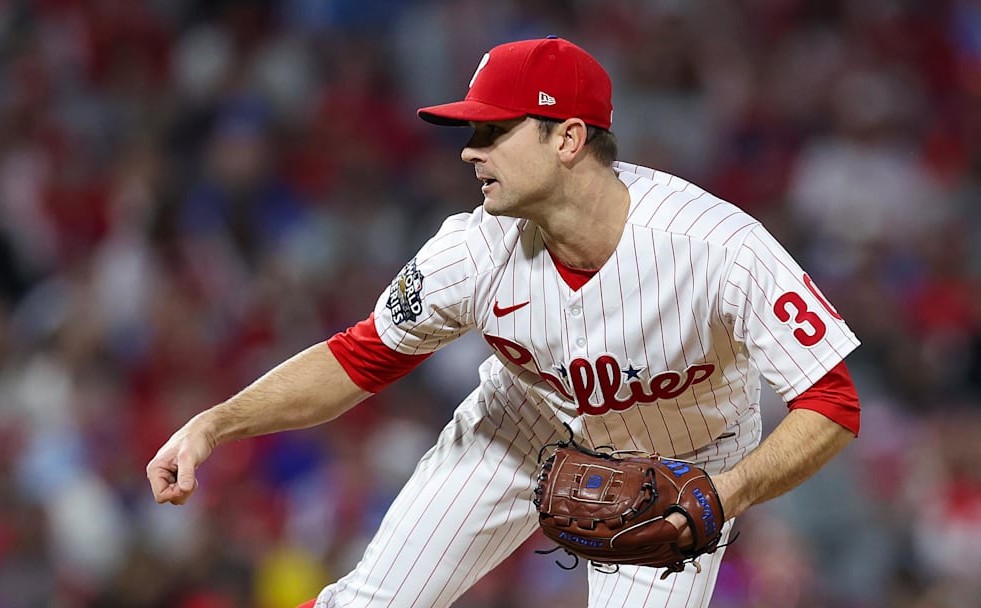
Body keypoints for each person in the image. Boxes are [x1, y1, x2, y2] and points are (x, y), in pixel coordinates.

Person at [146, 36, 861, 607]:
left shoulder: (716, 247)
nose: (469, 150)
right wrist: (214, 423)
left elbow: (832, 403)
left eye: (493, 130)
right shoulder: (471, 249)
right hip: (523, 425)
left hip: (680, 462)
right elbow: (357, 360)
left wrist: (726, 492)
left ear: (569, 139)